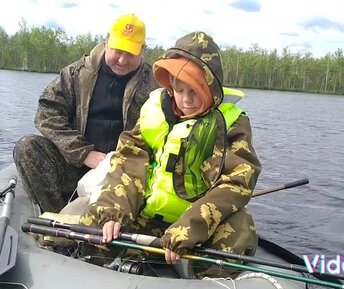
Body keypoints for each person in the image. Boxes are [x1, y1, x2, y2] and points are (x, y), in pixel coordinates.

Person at [78, 31, 262, 277]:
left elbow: (238, 182)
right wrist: (115, 211)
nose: (186, 100)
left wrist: (189, 228)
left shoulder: (233, 124)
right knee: (96, 223)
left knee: (241, 227)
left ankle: (200, 275)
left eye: (195, 91)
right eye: (180, 89)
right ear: (170, 85)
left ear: (210, 87)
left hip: (196, 226)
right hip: (145, 215)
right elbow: (128, 162)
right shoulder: (154, 112)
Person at [13, 13, 159, 213]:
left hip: (124, 175)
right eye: (118, 50)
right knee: (27, 147)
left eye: (131, 53)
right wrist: (83, 153)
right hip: (76, 166)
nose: (123, 60)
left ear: (142, 50)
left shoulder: (155, 86)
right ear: (107, 41)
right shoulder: (76, 74)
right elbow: (47, 113)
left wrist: (122, 165)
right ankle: (57, 221)